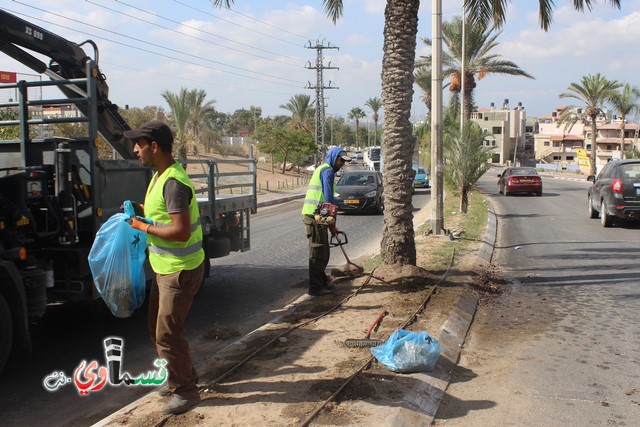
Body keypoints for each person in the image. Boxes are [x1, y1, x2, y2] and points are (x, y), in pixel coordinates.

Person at [125, 120, 204, 415]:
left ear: (154, 147)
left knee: (167, 334)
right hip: (165, 268)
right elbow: (164, 215)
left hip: (180, 270)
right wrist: (142, 212)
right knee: (158, 330)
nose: (135, 150)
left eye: (139, 144)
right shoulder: (160, 176)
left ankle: (186, 392)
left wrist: (142, 226)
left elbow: (181, 231)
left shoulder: (172, 181)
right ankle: (181, 376)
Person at [301, 147, 351, 296]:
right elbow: (329, 200)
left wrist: (330, 224)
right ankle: (315, 288)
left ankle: (322, 282)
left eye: (344, 161)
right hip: (315, 217)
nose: (342, 163)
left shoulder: (324, 169)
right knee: (318, 253)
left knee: (323, 252)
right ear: (334, 157)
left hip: (319, 217)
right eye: (341, 160)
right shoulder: (327, 171)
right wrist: (333, 223)